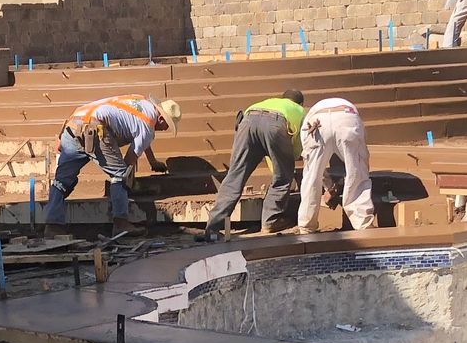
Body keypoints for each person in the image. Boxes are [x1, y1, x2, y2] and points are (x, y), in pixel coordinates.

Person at [45, 94, 181, 229]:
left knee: (60, 182)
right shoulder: (149, 124)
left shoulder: (141, 102)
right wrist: (131, 184)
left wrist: (152, 161)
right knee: (120, 175)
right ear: (161, 118)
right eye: (167, 125)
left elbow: (142, 137)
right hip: (96, 128)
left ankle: (52, 227)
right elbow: (130, 159)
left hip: (73, 124)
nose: (166, 129)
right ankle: (121, 223)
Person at [203, 90, 305, 239]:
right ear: (301, 103)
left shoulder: (270, 101)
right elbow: (295, 150)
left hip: (249, 119)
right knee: (283, 178)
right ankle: (271, 221)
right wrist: (285, 166)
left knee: (235, 177)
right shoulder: (300, 111)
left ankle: (213, 227)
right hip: (276, 124)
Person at [297, 97, 377, 234]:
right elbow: (357, 166)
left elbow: (317, 172)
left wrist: (330, 188)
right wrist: (332, 188)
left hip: (316, 121)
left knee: (311, 177)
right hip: (347, 117)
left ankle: (306, 226)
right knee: (357, 172)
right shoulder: (350, 111)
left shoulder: (308, 118)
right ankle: (363, 224)